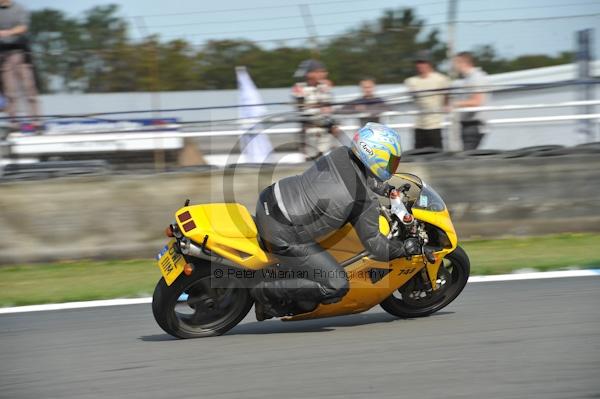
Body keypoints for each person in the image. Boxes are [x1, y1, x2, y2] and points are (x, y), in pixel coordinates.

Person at [251, 122, 423, 320]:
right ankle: (264, 292)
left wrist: (387, 191)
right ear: (377, 156)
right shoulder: (364, 200)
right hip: (283, 232)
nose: (393, 165)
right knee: (336, 285)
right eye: (391, 161)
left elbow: (353, 178)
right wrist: (403, 249)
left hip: (270, 198)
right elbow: (375, 246)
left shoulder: (340, 154)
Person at [0, 0, 39, 131]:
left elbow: (23, 27)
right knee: (10, 92)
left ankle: (36, 122)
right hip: (4, 56)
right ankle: (13, 124)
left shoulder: (20, 9)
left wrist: (7, 32)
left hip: (21, 54)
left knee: (29, 89)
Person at [292, 59, 339, 160]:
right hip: (310, 131)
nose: (322, 74)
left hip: (325, 131)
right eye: (318, 72)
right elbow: (301, 109)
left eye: (323, 72)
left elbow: (329, 108)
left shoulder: (324, 87)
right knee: (311, 162)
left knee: (327, 161)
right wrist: (318, 108)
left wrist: (332, 123)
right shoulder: (299, 88)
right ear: (309, 74)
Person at [404, 50, 450, 149]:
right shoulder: (411, 81)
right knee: (417, 155)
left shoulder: (441, 79)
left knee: (437, 155)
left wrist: (445, 107)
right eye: (418, 62)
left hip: (435, 125)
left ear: (429, 63)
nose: (420, 65)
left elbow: (447, 97)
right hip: (419, 125)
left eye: (423, 62)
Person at [452, 51, 489, 150]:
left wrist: (455, 104)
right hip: (468, 125)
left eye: (455, 63)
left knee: (467, 159)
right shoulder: (468, 79)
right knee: (468, 158)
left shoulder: (476, 77)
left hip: (474, 126)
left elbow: (477, 102)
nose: (454, 66)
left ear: (462, 62)